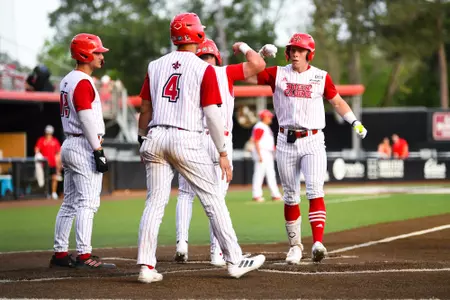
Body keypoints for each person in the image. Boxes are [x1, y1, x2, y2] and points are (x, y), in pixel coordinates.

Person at [136, 12, 265, 283]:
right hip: (186, 138)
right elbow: (212, 115)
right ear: (197, 35)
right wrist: (222, 152)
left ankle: (146, 267)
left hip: (156, 136)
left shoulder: (154, 65)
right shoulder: (204, 69)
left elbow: (145, 108)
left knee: (155, 203)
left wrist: (141, 138)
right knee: (212, 199)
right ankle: (234, 259)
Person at [248, 33, 368, 264]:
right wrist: (259, 55)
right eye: (292, 49)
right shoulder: (278, 73)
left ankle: (317, 243)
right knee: (291, 195)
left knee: (315, 190)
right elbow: (249, 75)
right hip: (285, 139)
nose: (295, 53)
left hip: (312, 139)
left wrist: (355, 121)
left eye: (300, 50)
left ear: (309, 53)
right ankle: (295, 246)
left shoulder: (320, 76)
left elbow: (338, 102)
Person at [174, 38, 266, 267]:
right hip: (220, 139)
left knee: (185, 193)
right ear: (217, 57)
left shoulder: (189, 74)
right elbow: (257, 66)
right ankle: (218, 253)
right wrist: (244, 46)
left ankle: (181, 244)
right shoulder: (225, 72)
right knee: (216, 199)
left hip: (193, 137)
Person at [49, 33, 115, 270]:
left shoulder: (68, 79)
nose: (101, 56)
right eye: (97, 52)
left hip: (70, 142)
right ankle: (84, 256)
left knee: (70, 202)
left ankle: (60, 253)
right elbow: (86, 118)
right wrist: (97, 149)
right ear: (85, 54)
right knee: (88, 202)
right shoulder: (83, 81)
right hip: (83, 144)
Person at [251, 109, 282, 202]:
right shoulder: (260, 126)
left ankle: (275, 194)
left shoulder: (265, 127)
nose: (270, 118)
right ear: (264, 117)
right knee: (259, 174)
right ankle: (256, 195)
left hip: (267, 152)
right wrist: (259, 155)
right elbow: (256, 141)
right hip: (262, 152)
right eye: (268, 117)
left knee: (271, 174)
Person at [34, 125, 62, 200]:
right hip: (44, 164)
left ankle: (53, 193)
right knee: (46, 179)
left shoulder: (55, 141)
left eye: (49, 133)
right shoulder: (41, 140)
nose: (48, 134)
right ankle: (47, 193)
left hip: (53, 164)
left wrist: (58, 164)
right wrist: (37, 153)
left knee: (54, 178)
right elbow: (37, 149)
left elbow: (58, 152)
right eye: (47, 133)